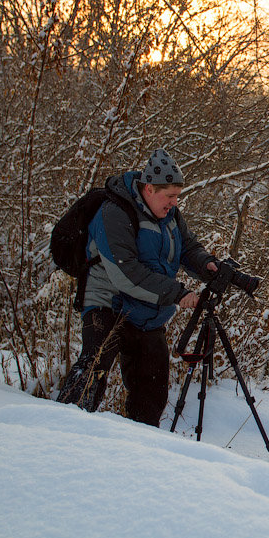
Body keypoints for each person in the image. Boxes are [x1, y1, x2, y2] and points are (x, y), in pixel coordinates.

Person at [57, 149, 218, 426]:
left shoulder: (171, 217)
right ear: (149, 188)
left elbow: (188, 248)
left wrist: (208, 266)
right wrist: (178, 294)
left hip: (147, 312)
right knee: (89, 377)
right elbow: (126, 273)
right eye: (170, 196)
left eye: (177, 196)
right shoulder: (114, 212)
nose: (175, 202)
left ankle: (139, 456)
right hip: (108, 303)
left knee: (151, 396)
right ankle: (58, 432)